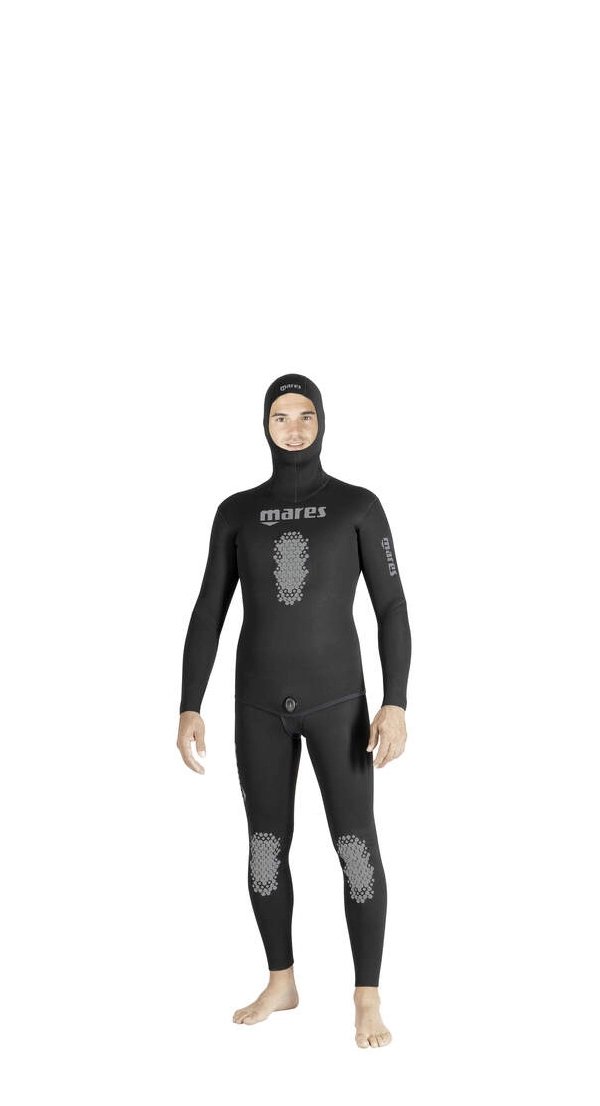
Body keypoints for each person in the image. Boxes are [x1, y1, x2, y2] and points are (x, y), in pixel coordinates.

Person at [176, 373, 412, 1048]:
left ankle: (366, 997)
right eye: (281, 416)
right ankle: (281, 981)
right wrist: (189, 704)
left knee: (354, 847)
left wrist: (395, 701)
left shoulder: (358, 506)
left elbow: (392, 606)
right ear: (265, 425)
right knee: (264, 847)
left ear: (322, 421)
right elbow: (208, 610)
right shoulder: (236, 512)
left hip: (339, 704)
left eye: (305, 415)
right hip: (258, 705)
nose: (294, 428)